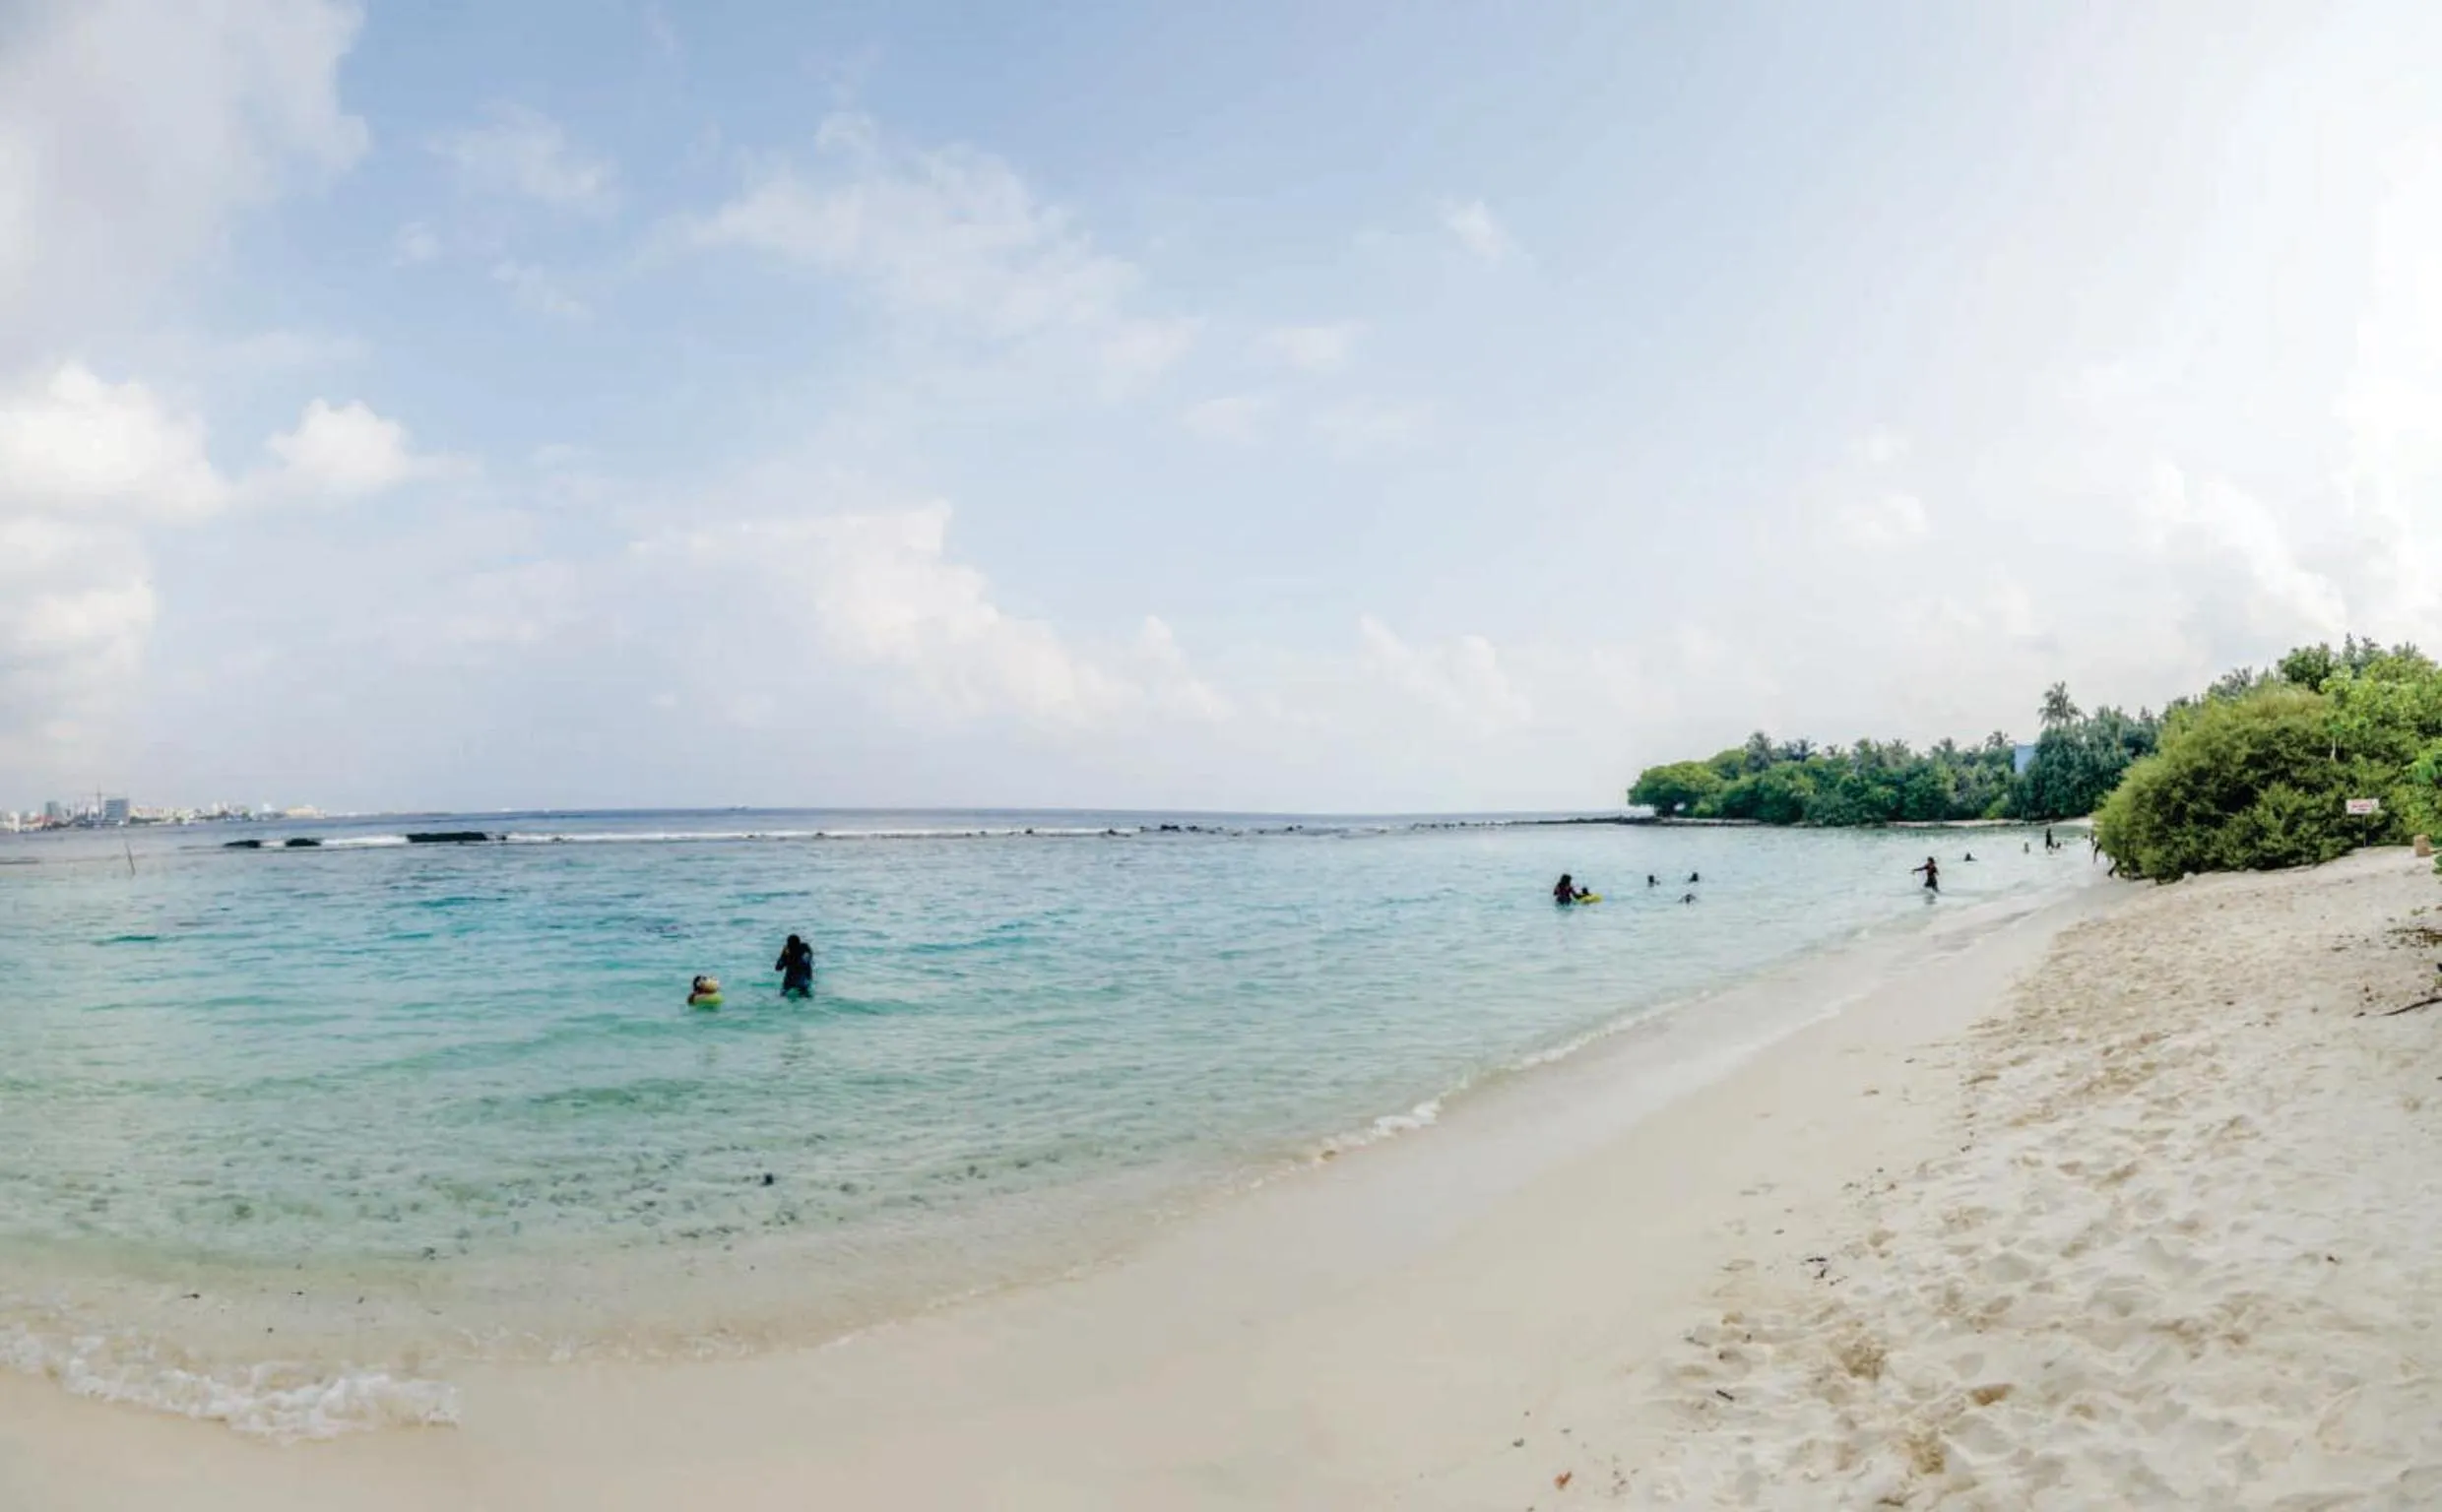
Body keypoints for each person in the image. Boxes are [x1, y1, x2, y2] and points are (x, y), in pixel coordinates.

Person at [774, 934, 814, 998]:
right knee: (784, 995)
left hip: (802, 976)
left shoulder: (804, 948)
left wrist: (787, 958)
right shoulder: (787, 950)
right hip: (793, 977)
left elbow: (806, 961)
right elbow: (778, 968)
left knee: (804, 994)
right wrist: (784, 957)